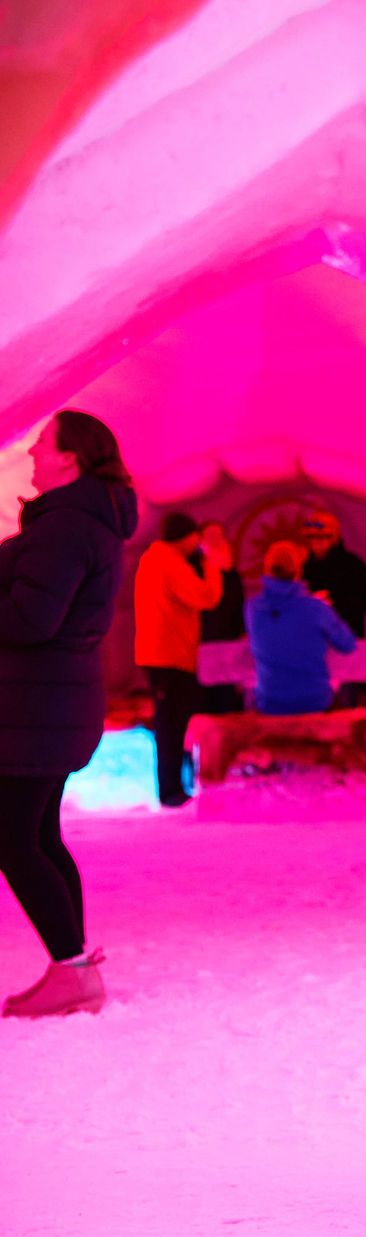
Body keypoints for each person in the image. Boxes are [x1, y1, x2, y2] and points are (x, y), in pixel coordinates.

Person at [0, 411, 138, 1017]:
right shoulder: (82, 523)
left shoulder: (64, 529)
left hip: (34, 707)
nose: (30, 451)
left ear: (70, 457)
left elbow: (31, 620)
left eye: (42, 444)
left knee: (12, 837)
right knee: (37, 834)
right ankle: (73, 963)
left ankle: (73, 970)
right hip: (50, 704)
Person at [134, 508, 226, 806]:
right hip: (169, 656)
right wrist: (213, 566)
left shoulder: (152, 559)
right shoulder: (170, 564)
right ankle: (171, 791)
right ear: (187, 537)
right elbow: (205, 597)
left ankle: (173, 786)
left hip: (158, 653)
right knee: (172, 724)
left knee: (170, 722)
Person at [245, 540, 356, 716]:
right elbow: (348, 644)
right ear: (299, 571)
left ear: (266, 569)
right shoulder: (316, 608)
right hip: (315, 701)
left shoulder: (252, 609)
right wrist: (323, 609)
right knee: (345, 699)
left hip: (269, 703)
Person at [192, 521, 247, 714]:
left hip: (227, 649)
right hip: (200, 650)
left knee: (227, 704)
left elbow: (238, 612)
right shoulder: (193, 573)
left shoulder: (231, 575)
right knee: (204, 705)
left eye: (220, 537)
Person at [300, 510, 366, 637]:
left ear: (335, 537)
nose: (316, 541)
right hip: (312, 642)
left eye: (323, 536)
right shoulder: (303, 568)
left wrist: (330, 606)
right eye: (312, 537)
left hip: (346, 641)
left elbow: (361, 605)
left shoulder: (354, 567)